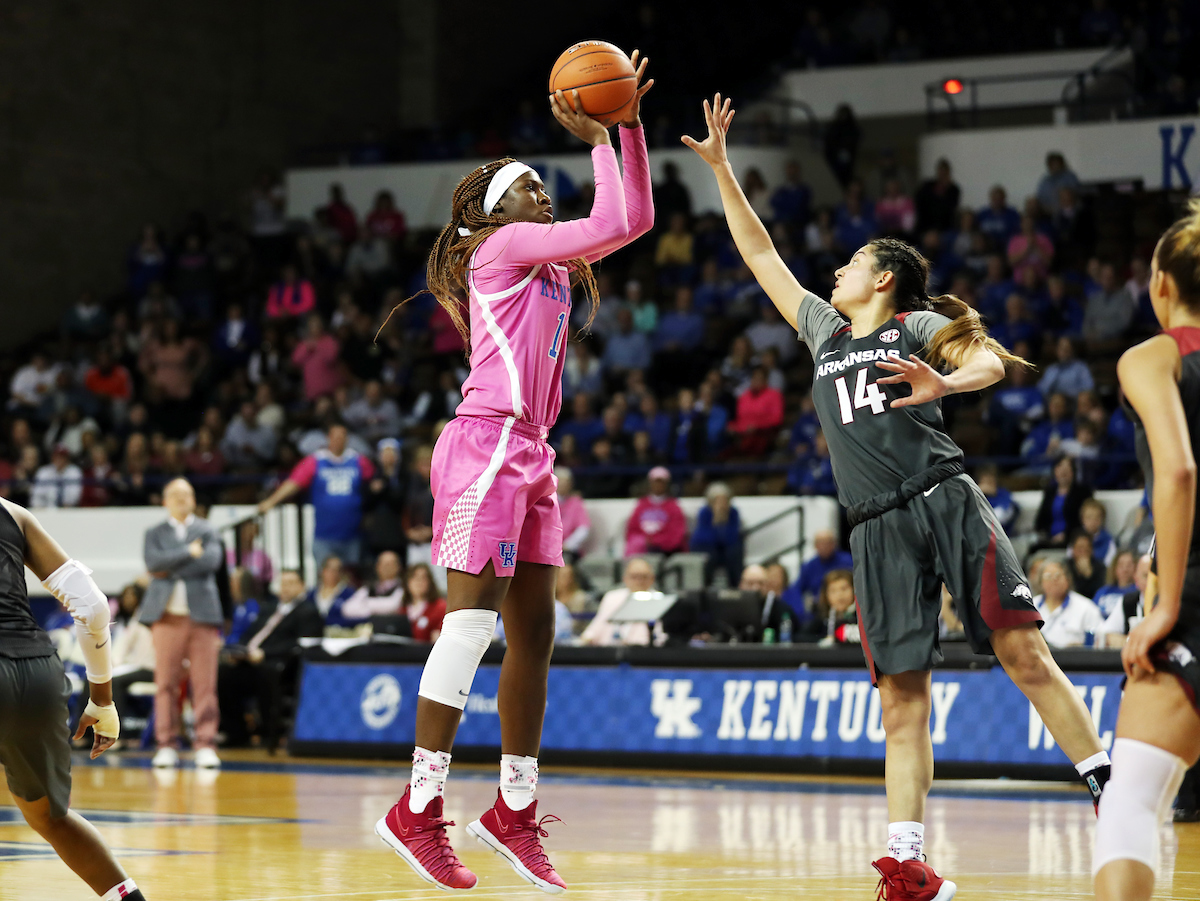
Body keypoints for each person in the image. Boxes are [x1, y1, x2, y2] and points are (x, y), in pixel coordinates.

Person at [686, 92, 1110, 900]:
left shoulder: (911, 325)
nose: (832, 272)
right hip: (875, 529)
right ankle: (909, 863)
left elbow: (990, 363)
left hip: (942, 497)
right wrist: (722, 170)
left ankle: (1105, 783)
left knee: (1024, 652)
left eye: (848, 263)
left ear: (882, 279)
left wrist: (941, 381)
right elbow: (760, 253)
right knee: (900, 698)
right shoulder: (822, 329)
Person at [370, 59, 654, 894]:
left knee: (536, 633)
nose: (543, 194)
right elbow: (617, 218)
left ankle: (513, 811)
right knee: (470, 627)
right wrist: (602, 135)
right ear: (498, 210)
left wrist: (626, 125)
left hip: (531, 451)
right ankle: (417, 808)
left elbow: (630, 214)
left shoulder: (551, 265)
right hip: (487, 443)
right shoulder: (504, 247)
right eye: (531, 185)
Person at [1094, 200, 1200, 901]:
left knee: (1129, 804)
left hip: (1194, 592)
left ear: (1161, 283)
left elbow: (1179, 469)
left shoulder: (1152, 356)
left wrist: (1163, 605)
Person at [0, 496, 152, 901]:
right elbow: (92, 604)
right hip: (36, 673)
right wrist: (102, 699)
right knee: (51, 818)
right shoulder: (13, 514)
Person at [140, 479, 224, 769]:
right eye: (174, 495)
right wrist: (189, 552)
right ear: (164, 500)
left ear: (193, 499)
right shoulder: (154, 532)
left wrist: (169, 565)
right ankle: (166, 744)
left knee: (205, 684)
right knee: (165, 683)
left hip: (202, 617)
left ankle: (205, 743)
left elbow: (211, 562)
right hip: (166, 618)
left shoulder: (207, 529)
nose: (181, 499)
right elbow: (153, 563)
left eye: (186, 494)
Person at [218, 569, 322, 750]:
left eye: (291, 583)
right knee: (224, 674)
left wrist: (265, 654)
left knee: (266, 673)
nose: (286, 588)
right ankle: (236, 732)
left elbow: (300, 643)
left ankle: (269, 732)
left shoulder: (308, 611)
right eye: (283, 583)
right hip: (250, 660)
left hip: (280, 664)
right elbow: (250, 633)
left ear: (302, 586)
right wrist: (239, 651)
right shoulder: (268, 608)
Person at [257, 422, 375, 569]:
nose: (339, 439)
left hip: (353, 534)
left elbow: (373, 487)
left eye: (342, 436)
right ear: (328, 438)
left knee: (352, 579)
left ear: (347, 439)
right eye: (335, 436)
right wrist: (271, 501)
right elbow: (294, 483)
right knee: (326, 577)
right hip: (324, 535)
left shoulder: (359, 460)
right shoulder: (315, 461)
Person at [579, 556, 660, 647]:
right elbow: (596, 628)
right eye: (634, 577)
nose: (639, 581)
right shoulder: (612, 597)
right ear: (625, 578)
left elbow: (659, 636)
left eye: (644, 577)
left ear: (652, 579)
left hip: (643, 653)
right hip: (609, 651)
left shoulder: (659, 600)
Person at [1032, 558, 1106, 648]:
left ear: (1068, 579)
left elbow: (1101, 638)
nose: (1054, 580)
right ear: (1040, 582)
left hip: (1074, 660)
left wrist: (1082, 647)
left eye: (1058, 576)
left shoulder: (1086, 607)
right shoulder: (1030, 606)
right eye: (1048, 576)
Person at [624, 466, 689, 557]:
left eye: (661, 482)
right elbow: (631, 530)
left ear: (666, 484)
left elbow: (676, 536)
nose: (658, 485)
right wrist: (643, 541)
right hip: (642, 548)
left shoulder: (673, 507)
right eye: (655, 482)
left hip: (665, 551)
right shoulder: (642, 505)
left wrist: (654, 541)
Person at [690, 482, 743, 587]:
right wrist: (716, 521)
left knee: (734, 552)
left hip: (725, 551)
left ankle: (736, 586)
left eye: (724, 500)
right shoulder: (704, 512)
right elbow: (703, 538)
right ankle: (704, 588)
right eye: (718, 500)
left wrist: (722, 524)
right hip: (710, 550)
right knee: (709, 555)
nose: (721, 504)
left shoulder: (733, 513)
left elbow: (732, 538)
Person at [1035, 455, 1092, 548]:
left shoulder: (1083, 493)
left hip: (1072, 540)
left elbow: (1083, 521)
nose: (1063, 472)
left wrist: (1066, 535)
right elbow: (1040, 520)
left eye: (1067, 469)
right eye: (1059, 468)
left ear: (1073, 472)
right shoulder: (1050, 492)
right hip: (1049, 539)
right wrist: (1046, 534)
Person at [792, 529, 854, 612]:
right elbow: (797, 589)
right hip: (820, 610)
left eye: (828, 542)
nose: (824, 546)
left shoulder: (848, 561)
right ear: (815, 546)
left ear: (834, 544)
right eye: (820, 543)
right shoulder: (809, 566)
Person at [339, 550, 405, 621]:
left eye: (390, 564)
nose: (386, 567)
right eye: (383, 564)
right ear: (377, 567)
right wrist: (377, 610)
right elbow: (347, 609)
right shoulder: (368, 587)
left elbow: (393, 606)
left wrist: (365, 602)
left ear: (399, 567)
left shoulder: (403, 587)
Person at [402, 563, 447, 643]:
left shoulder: (440, 607)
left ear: (430, 582)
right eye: (414, 577)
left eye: (423, 578)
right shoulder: (403, 608)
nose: (418, 582)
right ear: (407, 582)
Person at [555, 467, 591, 561]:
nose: (564, 485)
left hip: (569, 549)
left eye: (567, 482)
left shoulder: (576, 502)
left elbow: (583, 529)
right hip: (550, 548)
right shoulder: (547, 501)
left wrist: (567, 545)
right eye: (561, 481)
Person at [308, 554, 355, 627]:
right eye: (330, 569)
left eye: (337, 570)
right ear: (323, 571)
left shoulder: (349, 593)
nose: (333, 573)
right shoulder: (312, 594)